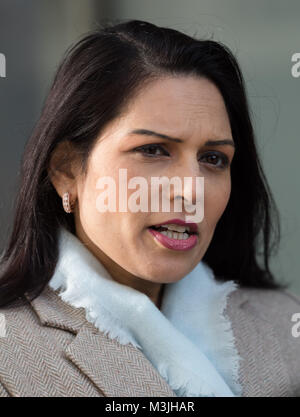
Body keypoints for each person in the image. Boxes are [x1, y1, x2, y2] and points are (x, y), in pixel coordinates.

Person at [0, 19, 299, 397]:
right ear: (66, 170)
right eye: (153, 150)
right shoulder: (10, 353)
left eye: (212, 158)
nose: (191, 191)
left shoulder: (284, 327)